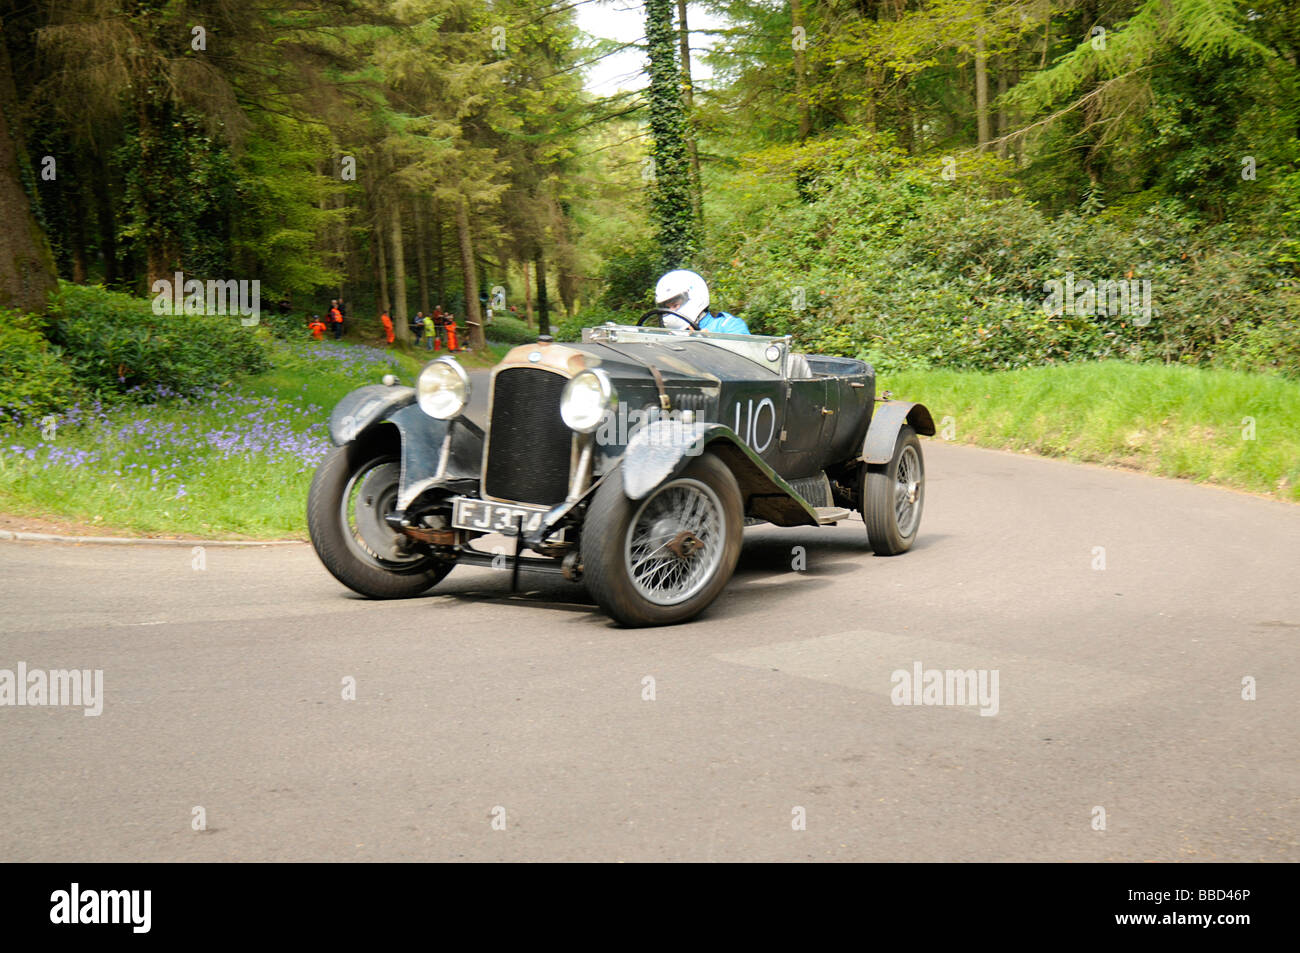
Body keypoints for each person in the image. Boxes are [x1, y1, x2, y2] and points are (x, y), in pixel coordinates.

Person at [653, 270, 749, 334]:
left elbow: (746, 355)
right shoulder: (670, 338)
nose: (671, 311)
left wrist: (711, 342)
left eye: (675, 305)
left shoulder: (728, 325)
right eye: (667, 308)